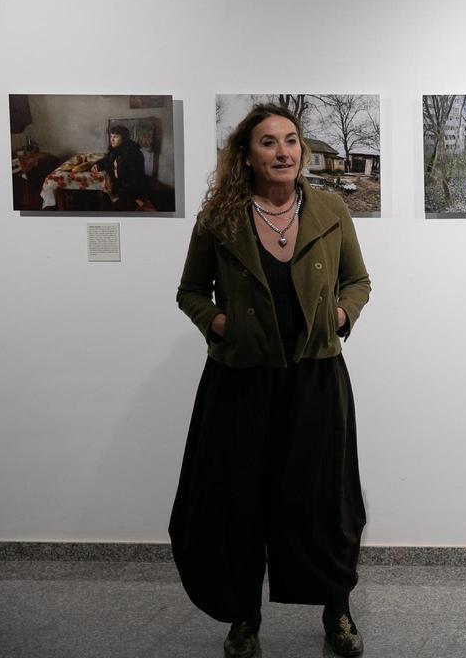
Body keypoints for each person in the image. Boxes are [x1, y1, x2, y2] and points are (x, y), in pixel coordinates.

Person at [172, 104, 371, 658]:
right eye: (268, 142)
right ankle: (243, 619)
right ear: (247, 154)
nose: (283, 152)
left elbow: (358, 280)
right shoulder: (220, 217)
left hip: (317, 378)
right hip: (240, 383)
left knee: (322, 501)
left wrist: (339, 315)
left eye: (290, 141)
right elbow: (190, 291)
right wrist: (219, 322)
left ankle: (337, 611)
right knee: (239, 500)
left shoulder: (331, 209)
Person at [95, 124, 147, 208]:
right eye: (111, 136)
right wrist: (97, 165)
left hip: (130, 190)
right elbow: (106, 161)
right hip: (118, 186)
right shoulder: (114, 150)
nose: (112, 139)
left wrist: (117, 194)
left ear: (124, 138)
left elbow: (134, 179)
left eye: (115, 137)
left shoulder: (133, 153)